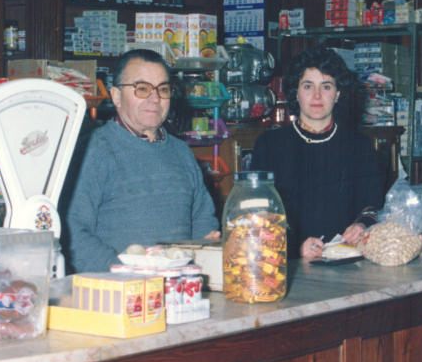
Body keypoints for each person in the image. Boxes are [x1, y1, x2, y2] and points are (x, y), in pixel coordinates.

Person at [63, 49, 219, 273]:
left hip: (178, 284)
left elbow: (203, 221)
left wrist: (203, 253)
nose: (155, 99)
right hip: (118, 286)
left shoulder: (181, 152)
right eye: (142, 88)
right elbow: (72, 233)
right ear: (116, 96)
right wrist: (125, 274)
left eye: (163, 89)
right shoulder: (92, 151)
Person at [250, 46, 384, 261]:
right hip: (288, 262)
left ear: (337, 94)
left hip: (348, 260)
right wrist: (295, 248)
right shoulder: (270, 145)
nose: (317, 96)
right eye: (308, 86)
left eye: (326, 86)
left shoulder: (359, 146)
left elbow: (374, 204)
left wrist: (362, 225)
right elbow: (258, 216)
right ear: (295, 92)